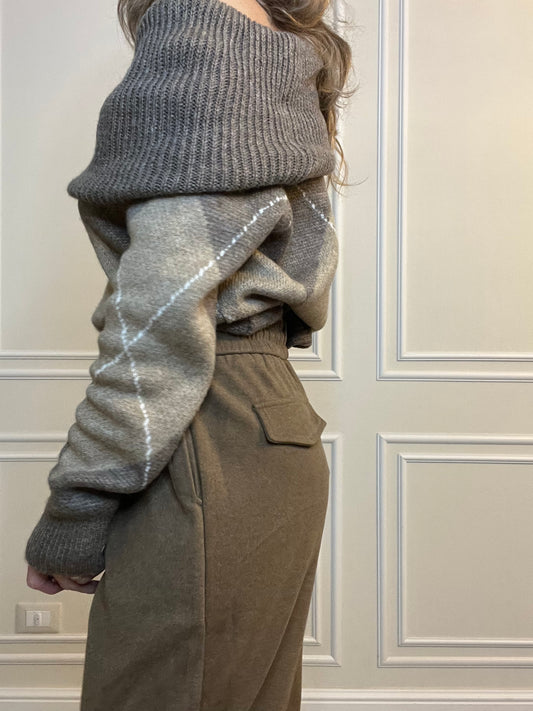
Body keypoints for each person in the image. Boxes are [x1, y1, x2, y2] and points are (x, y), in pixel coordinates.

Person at [24, 0, 356, 708]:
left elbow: (161, 316)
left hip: (209, 428)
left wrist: (76, 510)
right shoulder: (274, 49)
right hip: (262, 421)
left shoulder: (204, 32)